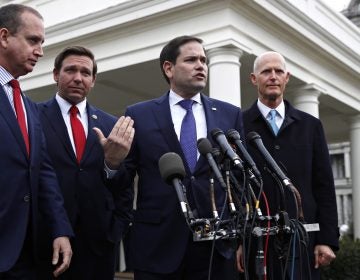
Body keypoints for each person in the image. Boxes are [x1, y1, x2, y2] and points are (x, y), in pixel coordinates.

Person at [121, 35, 244, 279]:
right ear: (169, 68)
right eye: (191, 60)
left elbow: (238, 180)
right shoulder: (139, 114)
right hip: (157, 245)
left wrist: (239, 236)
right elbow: (124, 179)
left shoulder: (229, 115)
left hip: (216, 247)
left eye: (204, 60)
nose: (201, 65)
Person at [236, 51, 339, 279]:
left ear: (287, 77)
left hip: (303, 242)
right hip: (256, 242)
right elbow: (235, 188)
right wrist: (238, 242)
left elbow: (324, 186)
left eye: (278, 71)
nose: (273, 76)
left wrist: (327, 240)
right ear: (254, 79)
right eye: (266, 72)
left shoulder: (311, 126)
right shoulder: (239, 126)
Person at [36, 46, 135, 279]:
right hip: (44, 242)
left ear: (93, 80)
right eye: (70, 70)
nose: (78, 78)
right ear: (55, 74)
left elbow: (126, 186)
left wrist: (112, 164)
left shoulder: (113, 125)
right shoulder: (34, 117)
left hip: (99, 246)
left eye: (85, 72)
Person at [0, 4, 73, 279]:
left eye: (42, 42)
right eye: (33, 40)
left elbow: (42, 171)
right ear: (4, 37)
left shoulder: (29, 107)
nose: (40, 51)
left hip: (28, 254)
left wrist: (60, 228)